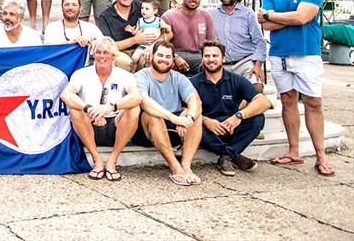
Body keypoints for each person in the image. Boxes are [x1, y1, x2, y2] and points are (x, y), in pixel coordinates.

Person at [259, 0, 333, 176]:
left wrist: (274, 15)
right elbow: (266, 25)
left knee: (313, 102)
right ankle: (293, 151)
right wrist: (286, 17)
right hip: (280, 53)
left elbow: (304, 17)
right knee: (287, 100)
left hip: (306, 52)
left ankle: (321, 156)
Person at [60, 37, 142, 181]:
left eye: (106, 52)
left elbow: (137, 97)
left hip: (115, 125)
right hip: (89, 125)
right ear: (93, 54)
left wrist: (110, 108)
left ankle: (112, 162)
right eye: (98, 52)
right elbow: (66, 95)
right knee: (75, 110)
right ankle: (97, 161)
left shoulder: (125, 76)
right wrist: (89, 108)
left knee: (133, 109)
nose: (102, 56)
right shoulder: (82, 74)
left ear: (113, 55)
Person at [190, 40, 270, 176]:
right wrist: (205, 121)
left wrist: (239, 116)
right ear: (202, 58)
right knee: (191, 125)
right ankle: (233, 156)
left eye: (215, 56)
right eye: (207, 56)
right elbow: (183, 110)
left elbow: (264, 102)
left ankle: (226, 155)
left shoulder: (236, 80)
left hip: (231, 126)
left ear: (223, 58)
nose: (211, 60)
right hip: (208, 131)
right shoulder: (193, 82)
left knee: (258, 118)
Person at [133, 40, 203, 186]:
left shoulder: (178, 78)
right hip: (146, 131)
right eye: (160, 55)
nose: (163, 59)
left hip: (174, 129)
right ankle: (175, 167)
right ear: (152, 56)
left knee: (196, 114)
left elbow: (194, 100)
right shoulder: (141, 76)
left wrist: (188, 117)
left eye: (168, 57)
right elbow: (144, 101)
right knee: (153, 115)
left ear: (173, 60)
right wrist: (175, 118)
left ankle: (186, 166)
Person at [210, 0, 267, 91]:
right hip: (221, 64)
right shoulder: (210, 14)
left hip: (245, 62)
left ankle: (243, 108)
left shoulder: (248, 14)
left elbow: (260, 43)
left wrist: (257, 66)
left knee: (256, 86)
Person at [97, 0, 156, 72]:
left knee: (149, 58)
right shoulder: (105, 16)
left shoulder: (142, 7)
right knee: (125, 62)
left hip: (142, 49)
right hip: (119, 52)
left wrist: (152, 46)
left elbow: (167, 33)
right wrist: (135, 40)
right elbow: (107, 46)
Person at [161, 0, 217, 76]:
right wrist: (175, 57)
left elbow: (212, 43)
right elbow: (161, 44)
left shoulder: (206, 15)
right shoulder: (168, 16)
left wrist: (209, 58)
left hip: (199, 55)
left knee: (214, 65)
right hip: (175, 54)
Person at [127, 0, 171, 68]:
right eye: (142, 8)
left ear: (155, 11)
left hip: (156, 45)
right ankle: (133, 72)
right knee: (134, 58)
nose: (143, 10)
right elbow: (136, 33)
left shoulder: (158, 20)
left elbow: (169, 30)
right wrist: (132, 31)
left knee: (152, 59)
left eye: (147, 9)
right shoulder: (140, 21)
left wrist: (165, 26)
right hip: (142, 45)